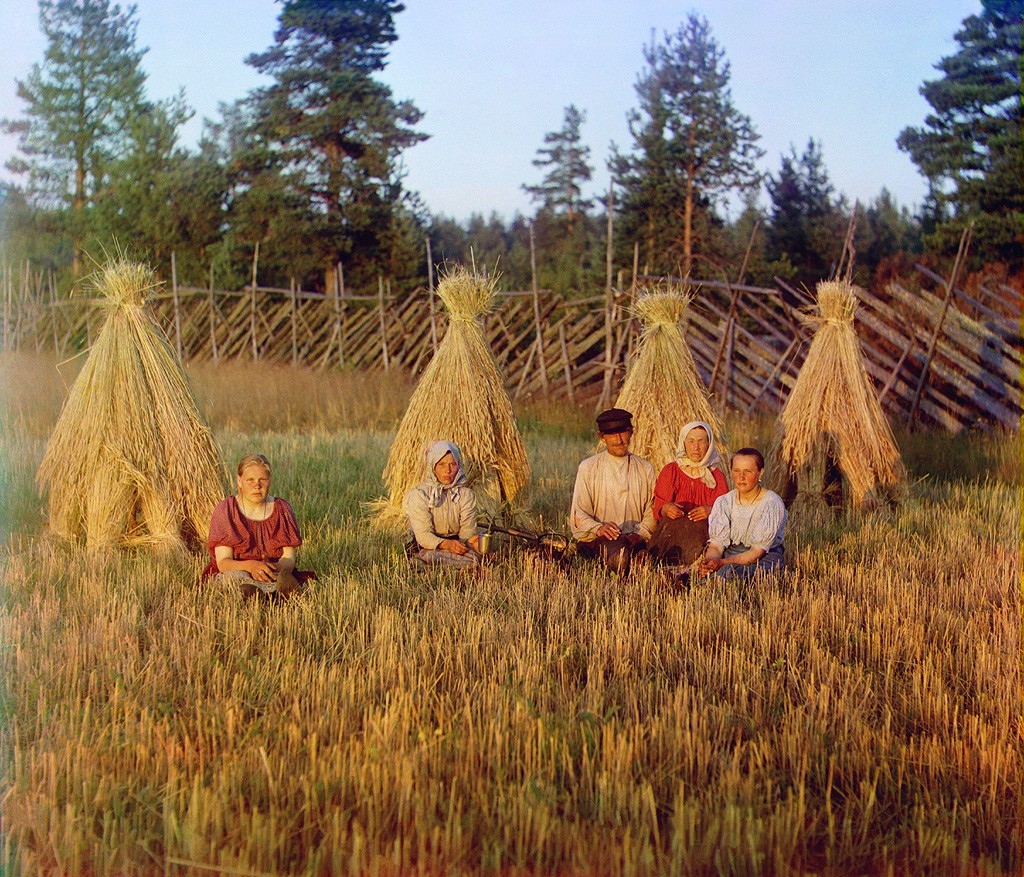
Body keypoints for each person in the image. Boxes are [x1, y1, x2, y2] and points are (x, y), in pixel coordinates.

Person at [203, 454, 316, 597]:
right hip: (237, 570)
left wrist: (267, 569)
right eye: (250, 480)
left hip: (272, 571)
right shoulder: (226, 510)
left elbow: (289, 559)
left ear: (270, 480)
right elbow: (223, 563)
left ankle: (273, 592)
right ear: (239, 481)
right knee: (236, 578)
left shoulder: (282, 509)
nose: (257, 485)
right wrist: (252, 566)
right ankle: (259, 595)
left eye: (262, 479)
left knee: (283, 577)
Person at [569, 408, 656, 575]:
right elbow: (579, 513)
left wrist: (639, 533)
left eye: (623, 432)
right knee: (618, 557)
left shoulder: (645, 468)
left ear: (631, 432)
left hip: (636, 538)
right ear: (601, 437)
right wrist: (599, 529)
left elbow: (652, 511)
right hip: (603, 539)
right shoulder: (588, 467)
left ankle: (637, 562)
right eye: (611, 434)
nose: (618, 440)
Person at [648, 421, 729, 569]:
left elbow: (726, 512)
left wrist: (710, 510)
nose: (696, 447)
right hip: (671, 532)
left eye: (701, 441)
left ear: (709, 444)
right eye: (690, 441)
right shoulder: (671, 471)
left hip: (701, 534)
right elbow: (658, 507)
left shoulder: (716, 476)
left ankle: (689, 568)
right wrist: (667, 508)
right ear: (683, 443)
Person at [698, 447, 787, 580]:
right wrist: (711, 562)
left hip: (764, 557)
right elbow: (716, 546)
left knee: (728, 573)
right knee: (708, 575)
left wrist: (722, 563)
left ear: (760, 473)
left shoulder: (771, 503)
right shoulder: (724, 502)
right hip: (731, 554)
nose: (741, 477)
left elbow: (757, 551)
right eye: (736, 471)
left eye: (748, 471)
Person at [405, 440, 481, 569]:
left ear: (459, 466)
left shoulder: (466, 495)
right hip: (429, 546)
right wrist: (446, 545)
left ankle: (443, 566)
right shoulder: (420, 495)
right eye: (442, 464)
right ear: (433, 467)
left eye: (453, 464)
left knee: (475, 557)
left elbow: (468, 530)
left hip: (457, 545)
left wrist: (462, 545)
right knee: (431, 556)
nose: (448, 470)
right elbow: (423, 535)